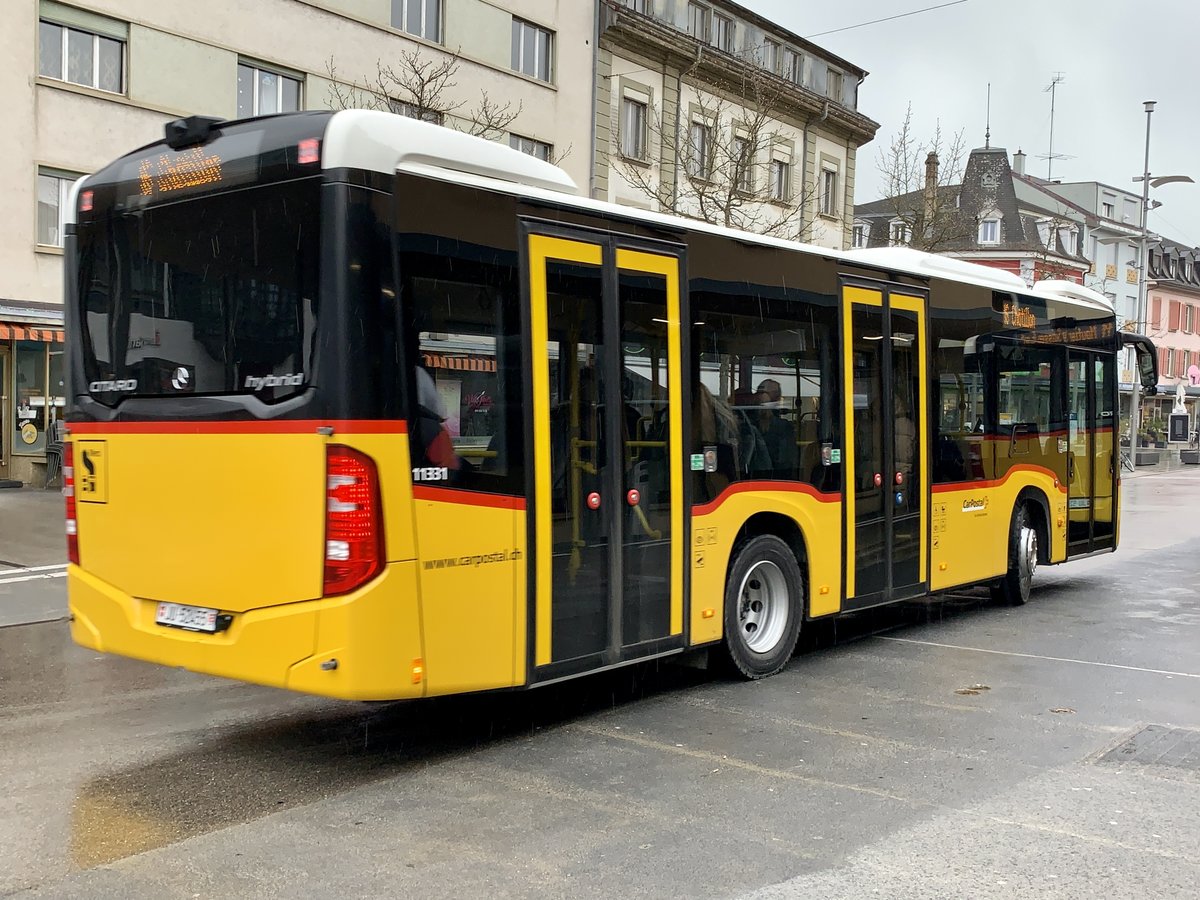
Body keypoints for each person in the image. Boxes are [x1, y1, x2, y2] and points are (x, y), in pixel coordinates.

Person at [754, 378, 797, 478]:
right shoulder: (783, 427)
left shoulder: (746, 423)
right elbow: (786, 461)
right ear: (778, 399)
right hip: (778, 479)